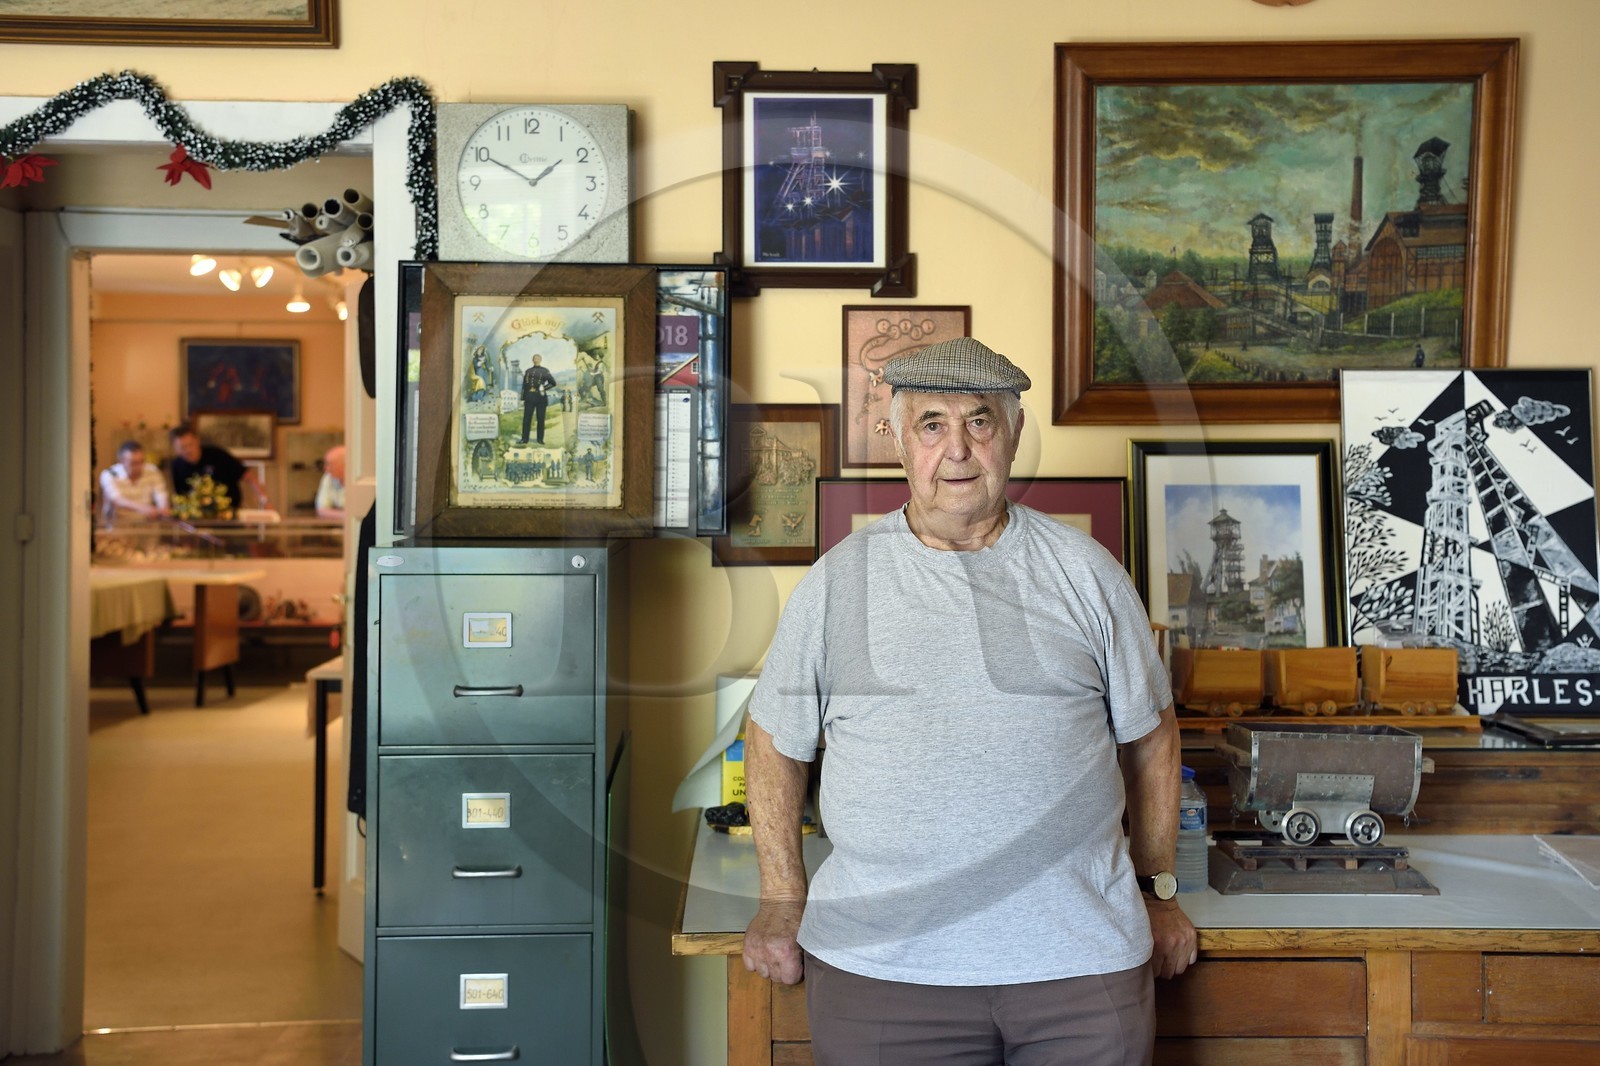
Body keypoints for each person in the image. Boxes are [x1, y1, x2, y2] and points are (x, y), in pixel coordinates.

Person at [741, 337, 1196, 1065]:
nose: (958, 449)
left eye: (980, 422)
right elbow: (773, 742)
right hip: (882, 970)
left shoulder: (1088, 575)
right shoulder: (836, 585)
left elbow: (1154, 739)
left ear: (1012, 434)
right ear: (896, 440)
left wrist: (1159, 888)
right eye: (932, 425)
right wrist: (781, 898)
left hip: (1078, 966)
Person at [168, 424, 269, 515]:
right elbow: (181, 497)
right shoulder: (176, 466)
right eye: (182, 447)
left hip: (230, 512)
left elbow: (249, 476)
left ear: (197, 441)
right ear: (175, 448)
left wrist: (265, 501)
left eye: (190, 445)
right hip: (197, 516)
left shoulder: (217, 455)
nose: (188, 450)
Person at [99, 441, 170, 523]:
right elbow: (117, 499)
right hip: (119, 526)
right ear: (121, 461)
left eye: (141, 461)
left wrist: (163, 508)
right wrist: (144, 508)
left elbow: (161, 495)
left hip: (148, 524)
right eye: (133, 463)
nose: (138, 467)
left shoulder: (153, 471)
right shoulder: (110, 474)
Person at [518, 354, 558, 445]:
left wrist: (544, 388)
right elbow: (524, 386)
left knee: (540, 419)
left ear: (540, 360)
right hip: (529, 397)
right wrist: (522, 398)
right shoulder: (528, 371)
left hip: (540, 398)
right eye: (534, 358)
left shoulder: (545, 371)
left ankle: (540, 439)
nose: (536, 359)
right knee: (526, 419)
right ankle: (524, 439)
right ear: (532, 360)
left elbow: (553, 383)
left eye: (537, 358)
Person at [315, 444, 346, 521]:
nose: (325, 468)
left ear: (344, 465)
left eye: (329, 464)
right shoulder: (328, 477)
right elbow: (321, 510)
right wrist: (346, 515)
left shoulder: (357, 481)